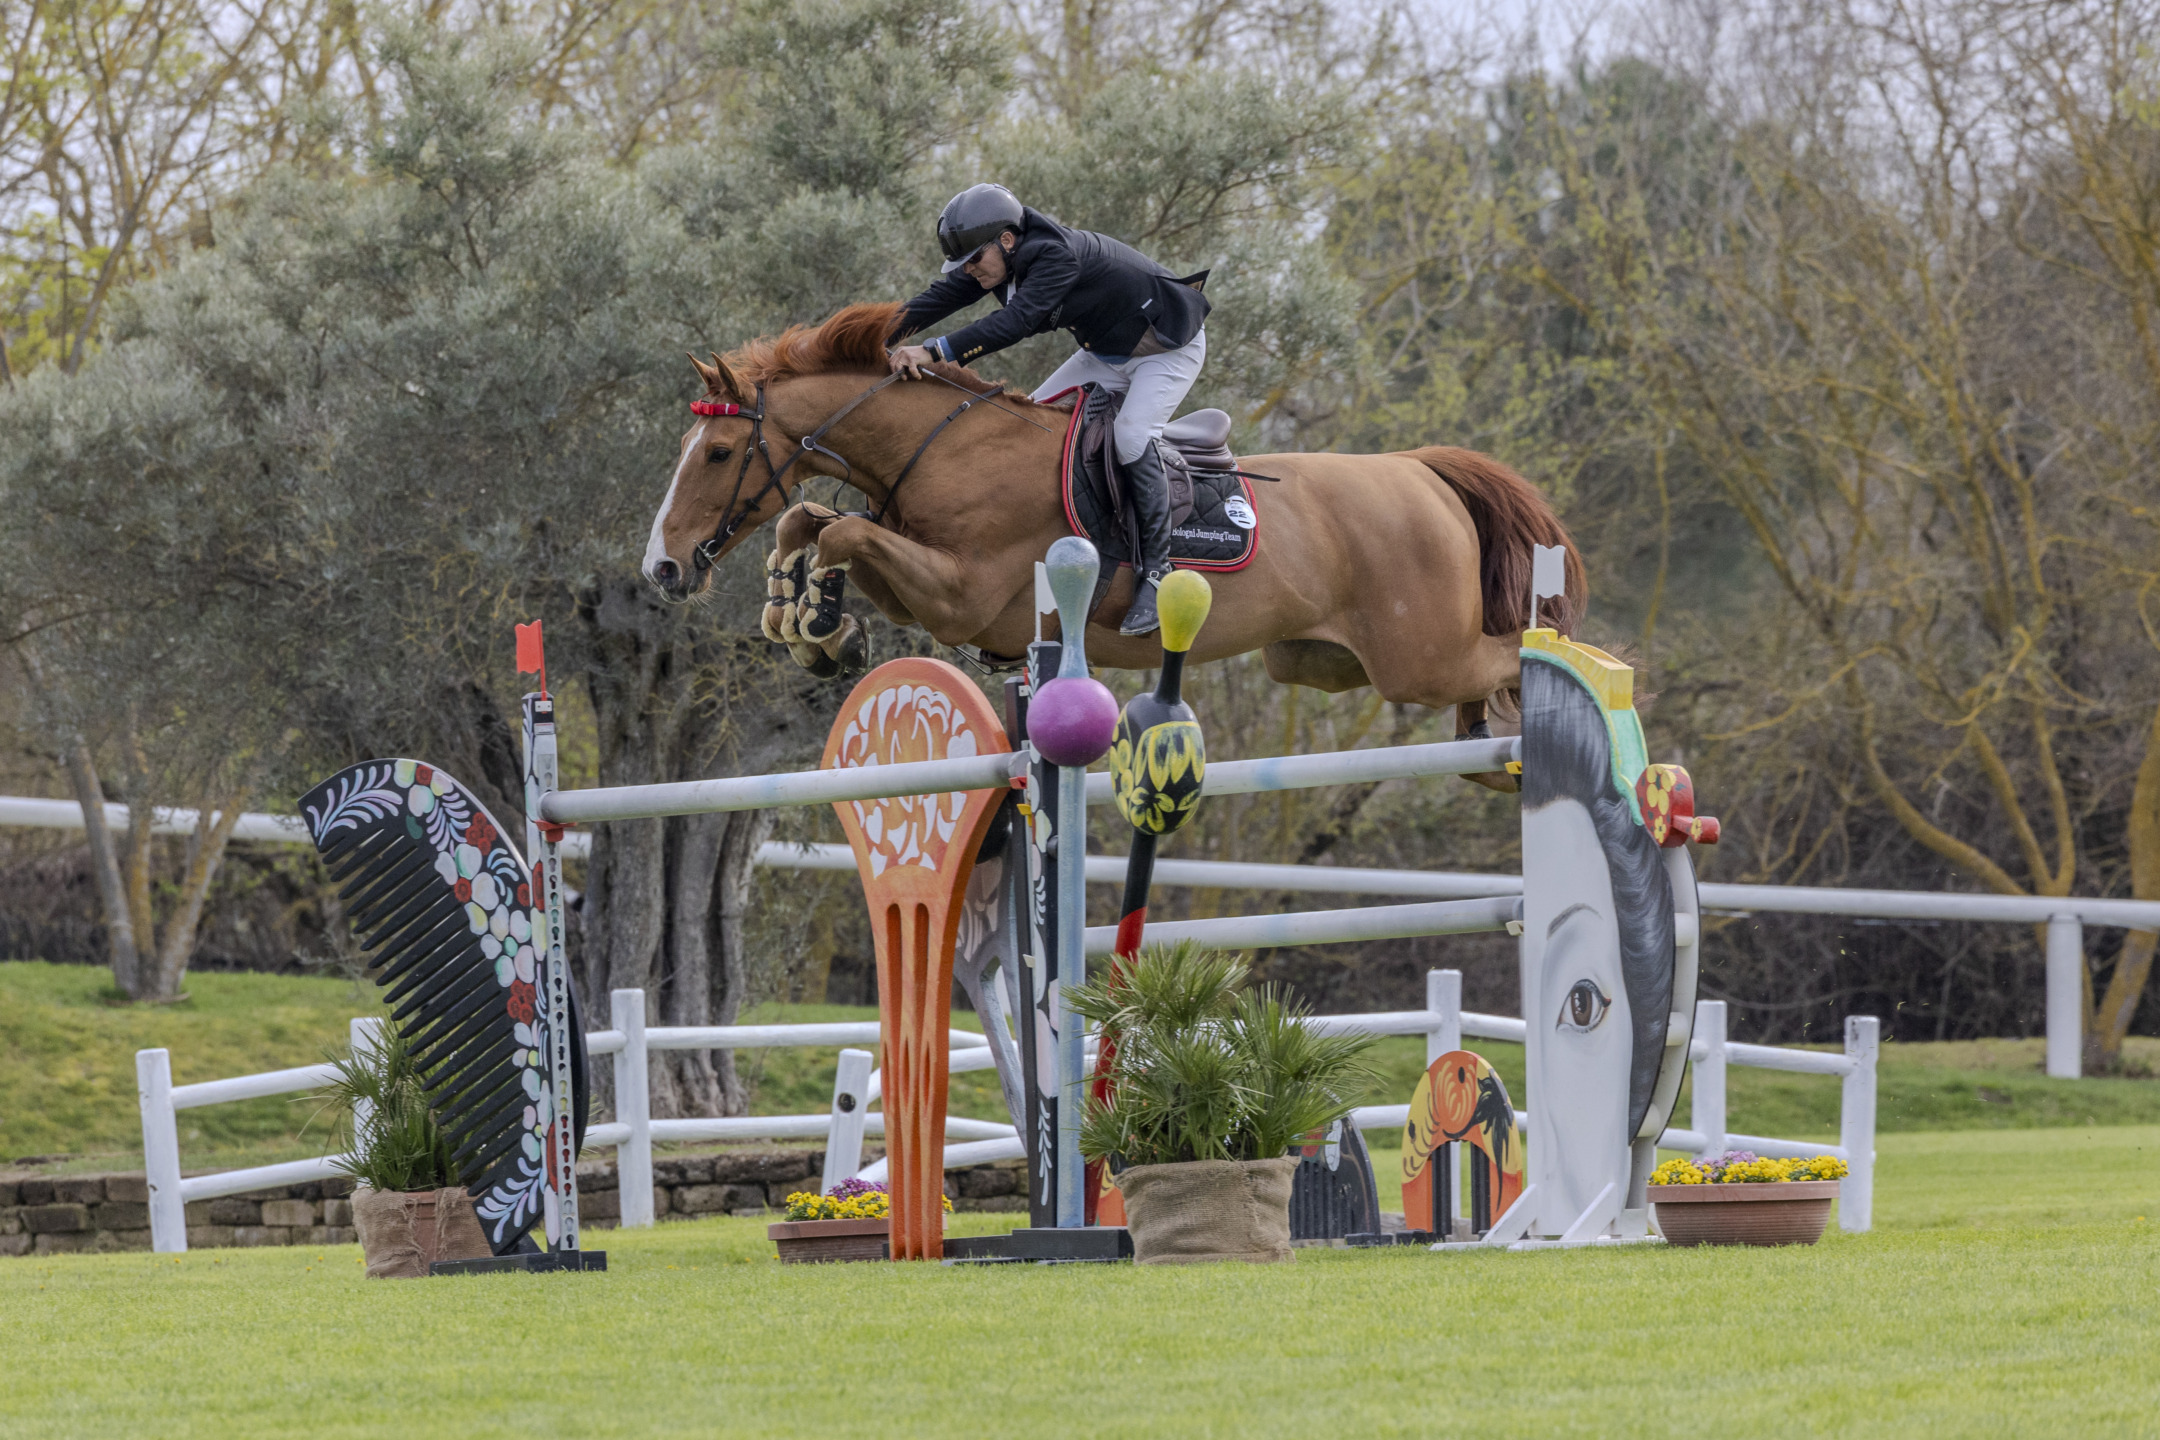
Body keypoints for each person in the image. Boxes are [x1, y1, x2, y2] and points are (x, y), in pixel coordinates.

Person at [890, 183, 1210, 636]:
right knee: (1029, 423)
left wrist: (934, 350)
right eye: (963, 265)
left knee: (1132, 435)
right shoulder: (998, 257)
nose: (970, 271)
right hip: (1108, 353)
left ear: (1005, 240)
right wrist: (866, 337)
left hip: (1166, 349)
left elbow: (1016, 322)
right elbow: (938, 298)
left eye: (974, 261)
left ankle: (1156, 573)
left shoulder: (1056, 256)